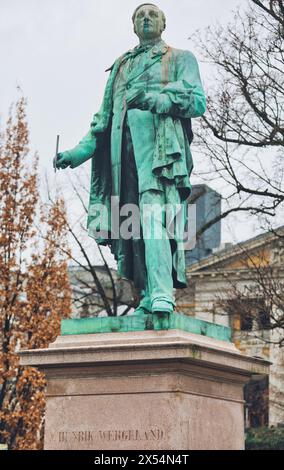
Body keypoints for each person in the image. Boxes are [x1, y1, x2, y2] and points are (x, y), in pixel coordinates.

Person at [54, 3, 206, 315]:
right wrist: (75, 154)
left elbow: (197, 101)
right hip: (122, 164)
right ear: (133, 25)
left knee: (153, 221)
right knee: (133, 231)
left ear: (163, 23)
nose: (146, 18)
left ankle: (163, 293)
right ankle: (148, 295)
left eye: (152, 14)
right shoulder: (121, 66)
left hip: (160, 158)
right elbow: (102, 122)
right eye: (140, 15)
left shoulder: (179, 58)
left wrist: (156, 100)